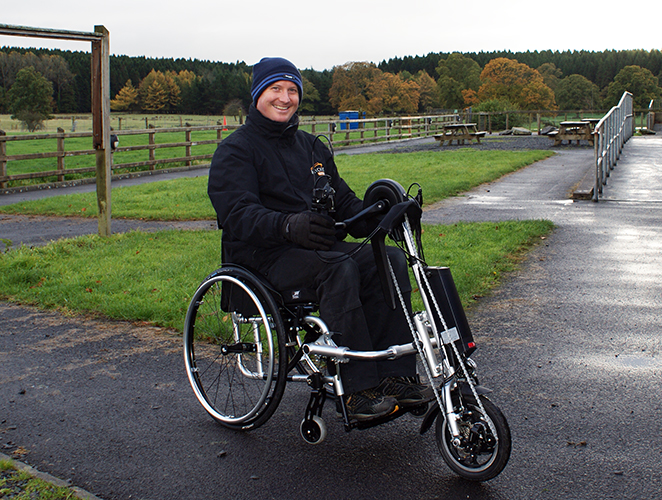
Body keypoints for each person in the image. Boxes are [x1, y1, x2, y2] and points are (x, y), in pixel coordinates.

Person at [208, 57, 431, 421]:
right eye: (275, 89)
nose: (284, 98)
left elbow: (342, 201)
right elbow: (236, 213)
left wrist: (379, 213)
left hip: (313, 248)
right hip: (263, 255)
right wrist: (287, 226)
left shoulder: (312, 147)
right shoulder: (235, 150)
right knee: (338, 266)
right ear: (257, 95)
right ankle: (356, 389)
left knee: (387, 260)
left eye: (292, 90)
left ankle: (395, 376)